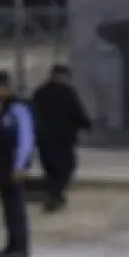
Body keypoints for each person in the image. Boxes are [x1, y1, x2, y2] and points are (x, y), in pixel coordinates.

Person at [0, 71, 35, 257]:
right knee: (8, 208)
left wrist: (20, 165)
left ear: (1, 88)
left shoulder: (17, 108)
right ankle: (13, 243)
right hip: (3, 166)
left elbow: (25, 138)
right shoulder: (3, 109)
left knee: (15, 208)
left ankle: (20, 247)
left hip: (13, 166)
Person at [29, 64, 91, 211]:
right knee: (64, 167)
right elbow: (76, 110)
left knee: (53, 169)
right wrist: (86, 124)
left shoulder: (40, 93)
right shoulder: (65, 92)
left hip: (48, 139)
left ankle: (55, 194)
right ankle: (55, 195)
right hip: (61, 139)